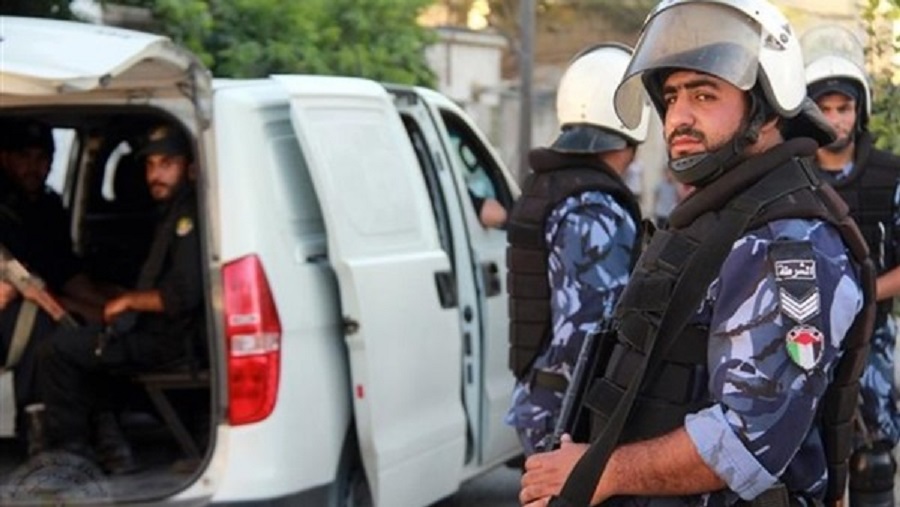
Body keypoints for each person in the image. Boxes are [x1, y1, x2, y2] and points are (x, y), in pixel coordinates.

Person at [518, 1, 875, 506]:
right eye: (671, 97)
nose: (678, 118)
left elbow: (747, 440)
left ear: (768, 106)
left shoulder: (788, 242)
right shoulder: (721, 218)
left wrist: (602, 472)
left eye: (704, 95)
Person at [506, 43, 650, 456]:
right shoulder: (595, 208)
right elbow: (590, 330)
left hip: (544, 400)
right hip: (570, 416)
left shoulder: (552, 187)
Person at [37, 122, 203, 474]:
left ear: (190, 168)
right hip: (161, 333)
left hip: (172, 341)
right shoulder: (172, 212)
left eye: (167, 164)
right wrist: (122, 296)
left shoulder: (188, 218)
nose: (155, 175)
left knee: (57, 351)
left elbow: (183, 295)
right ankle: (110, 446)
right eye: (150, 165)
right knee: (86, 344)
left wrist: (129, 303)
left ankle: (71, 454)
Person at [803, 25, 900, 507]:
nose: (835, 119)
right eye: (825, 108)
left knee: (872, 463)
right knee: (803, 464)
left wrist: (860, 298)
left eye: (844, 108)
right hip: (803, 344)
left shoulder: (890, 175)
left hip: (870, 340)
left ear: (859, 111)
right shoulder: (789, 178)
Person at [0, 120, 105, 449]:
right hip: (14, 309)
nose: (34, 167)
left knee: (91, 330)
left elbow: (64, 271)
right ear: (5, 158)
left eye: (42, 158)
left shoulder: (46, 207)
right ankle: (38, 428)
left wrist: (104, 305)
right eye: (24, 157)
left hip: (37, 300)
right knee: (43, 328)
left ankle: (98, 425)